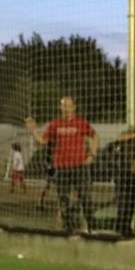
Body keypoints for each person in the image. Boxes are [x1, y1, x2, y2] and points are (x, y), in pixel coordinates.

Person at [24, 95, 98, 232]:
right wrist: (33, 130)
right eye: (64, 105)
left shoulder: (81, 122)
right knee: (63, 200)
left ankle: (91, 230)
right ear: (60, 107)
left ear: (74, 107)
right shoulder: (55, 124)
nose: (66, 109)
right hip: (62, 168)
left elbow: (95, 136)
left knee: (85, 197)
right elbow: (43, 140)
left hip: (79, 167)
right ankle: (67, 230)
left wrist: (91, 155)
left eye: (69, 106)